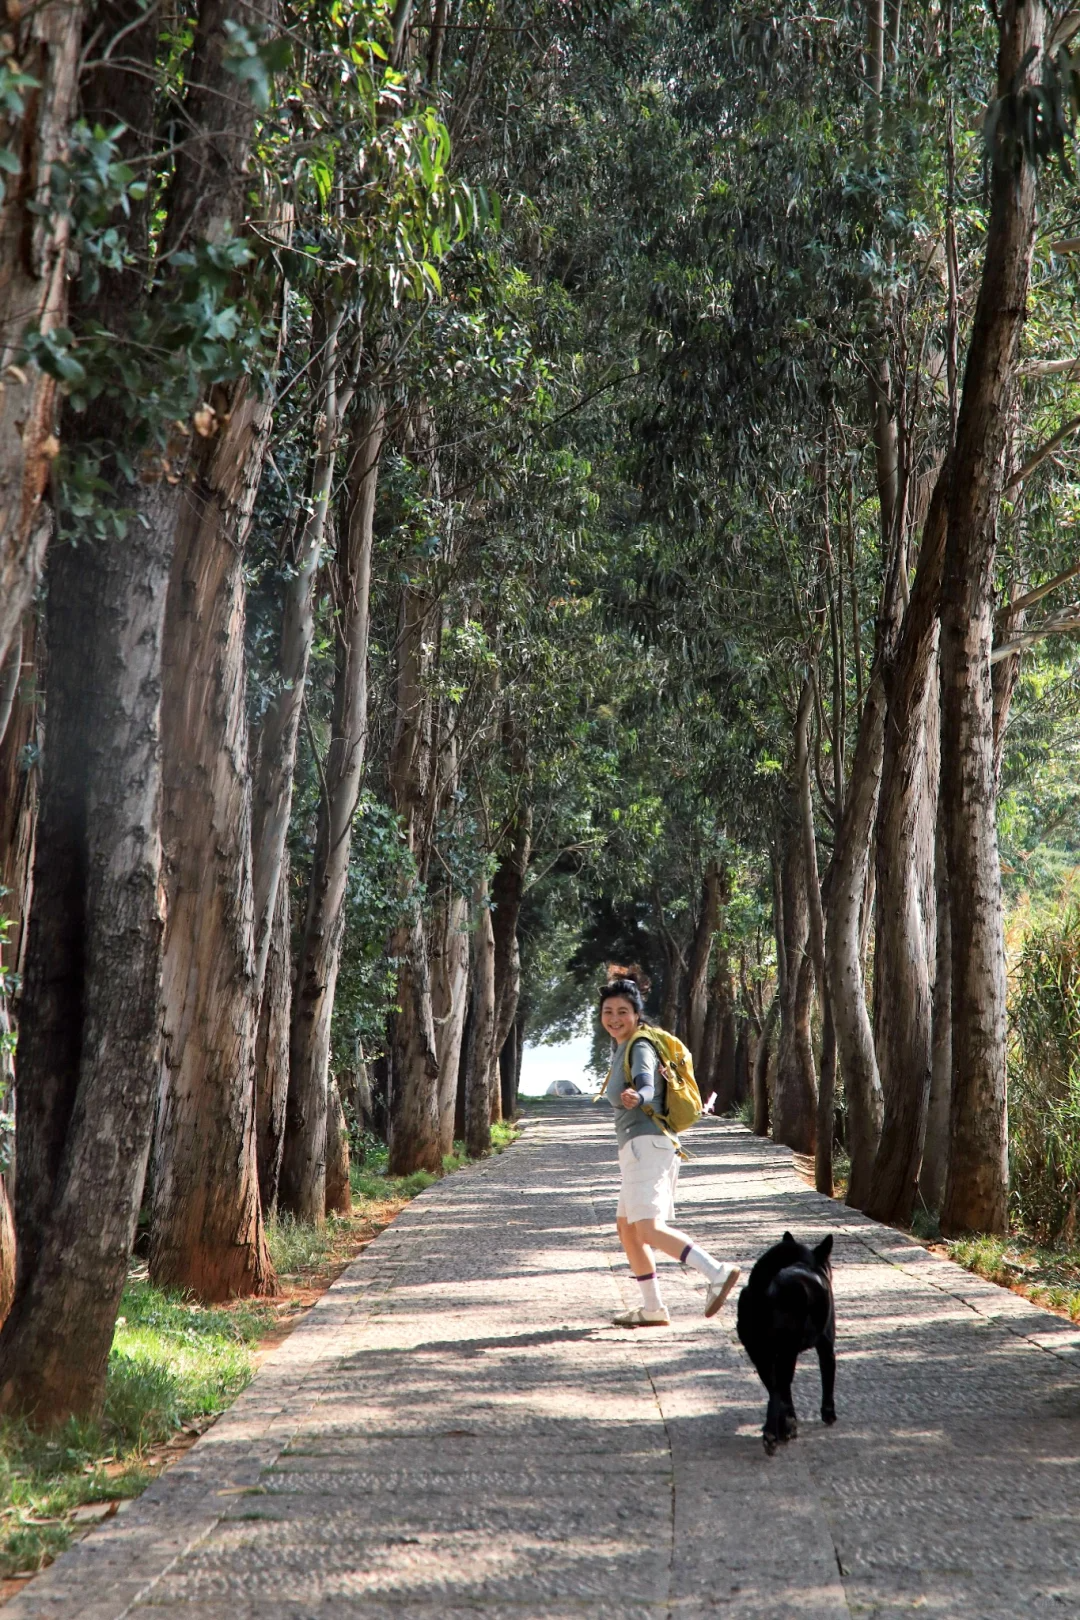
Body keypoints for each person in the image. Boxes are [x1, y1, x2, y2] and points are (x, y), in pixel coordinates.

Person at [599, 972, 740, 1328]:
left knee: (646, 1229)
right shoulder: (623, 1046)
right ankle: (651, 1308)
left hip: (648, 1146)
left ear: (637, 1013)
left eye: (622, 1012)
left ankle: (716, 1271)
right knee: (627, 1230)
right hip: (640, 1149)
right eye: (608, 1011)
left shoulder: (640, 1045)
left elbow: (646, 1082)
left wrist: (639, 1095)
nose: (615, 1018)